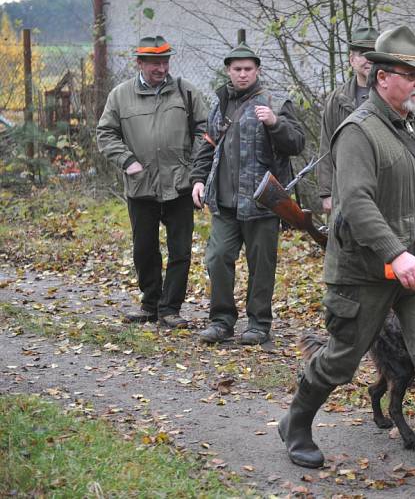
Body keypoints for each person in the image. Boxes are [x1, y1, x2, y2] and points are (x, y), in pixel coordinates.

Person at [278, 26, 415, 472]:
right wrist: (395, 253)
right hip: (368, 270)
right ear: (382, 78)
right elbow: (356, 202)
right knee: (341, 360)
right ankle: (296, 425)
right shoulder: (358, 131)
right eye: (411, 74)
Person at [191, 43, 305, 345]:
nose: (242, 74)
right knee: (217, 258)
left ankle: (258, 324)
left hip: (263, 202)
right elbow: (208, 144)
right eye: (237, 69)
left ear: (257, 70)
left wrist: (275, 124)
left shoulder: (275, 102)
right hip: (225, 203)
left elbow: (296, 143)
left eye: (248, 69)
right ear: (229, 71)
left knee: (262, 265)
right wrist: (198, 180)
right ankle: (221, 321)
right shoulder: (220, 102)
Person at [97, 35, 207, 329]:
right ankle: (150, 304)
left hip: (180, 184)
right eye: (155, 62)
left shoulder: (185, 92)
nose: (161, 68)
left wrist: (194, 166)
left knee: (180, 250)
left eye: (165, 61)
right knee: (144, 248)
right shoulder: (120, 95)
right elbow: (105, 134)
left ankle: (170, 309)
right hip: (141, 186)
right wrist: (126, 160)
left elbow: (205, 131)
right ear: (140, 63)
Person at [317, 26, 380, 214]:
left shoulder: (392, 96)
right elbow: (326, 145)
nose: (369, 59)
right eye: (363, 53)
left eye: (374, 53)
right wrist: (326, 192)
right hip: (344, 189)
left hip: (383, 185)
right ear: (352, 60)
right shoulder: (337, 99)